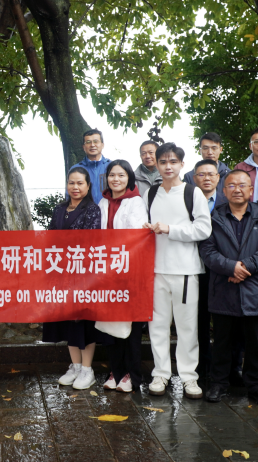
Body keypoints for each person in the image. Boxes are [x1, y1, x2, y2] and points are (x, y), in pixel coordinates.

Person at [200, 170, 258, 407]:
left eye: (242, 185)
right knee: (222, 341)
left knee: (255, 342)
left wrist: (244, 267)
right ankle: (218, 383)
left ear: (251, 190)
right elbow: (207, 251)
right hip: (223, 288)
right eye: (232, 185)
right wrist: (231, 268)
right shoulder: (214, 217)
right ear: (224, 191)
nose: (237, 189)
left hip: (256, 289)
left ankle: (256, 386)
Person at [143, 143, 212, 399]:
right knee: (157, 326)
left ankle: (188, 377)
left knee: (187, 327)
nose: (168, 166)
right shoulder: (150, 193)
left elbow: (203, 229)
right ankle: (160, 373)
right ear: (157, 165)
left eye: (173, 161)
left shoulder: (192, 192)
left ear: (182, 164)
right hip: (155, 270)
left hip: (185, 270)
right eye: (163, 162)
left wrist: (170, 229)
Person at [42, 167, 108, 390]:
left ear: (88, 186)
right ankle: (75, 366)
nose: (75, 187)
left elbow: (90, 242)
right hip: (60, 274)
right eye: (71, 182)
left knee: (83, 321)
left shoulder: (92, 209)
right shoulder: (59, 209)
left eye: (80, 183)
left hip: (83, 274)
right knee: (67, 321)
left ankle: (87, 369)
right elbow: (51, 237)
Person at [97, 160, 147, 393]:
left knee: (131, 327)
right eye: (112, 175)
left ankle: (132, 375)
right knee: (110, 324)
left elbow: (136, 235)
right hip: (107, 273)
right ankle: (115, 371)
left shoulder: (136, 202)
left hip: (129, 272)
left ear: (129, 178)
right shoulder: (103, 202)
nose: (115, 179)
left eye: (121, 175)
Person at [191, 159, 226, 383]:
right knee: (199, 319)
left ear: (218, 178)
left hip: (222, 268)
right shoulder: (188, 202)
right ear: (195, 178)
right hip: (196, 267)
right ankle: (202, 366)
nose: (206, 178)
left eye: (211, 174)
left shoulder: (227, 201)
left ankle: (225, 368)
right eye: (201, 174)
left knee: (223, 321)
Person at [75, 129, 111, 204]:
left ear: (102, 145)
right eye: (88, 142)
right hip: (84, 210)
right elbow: (70, 195)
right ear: (83, 147)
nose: (92, 145)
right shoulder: (76, 169)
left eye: (96, 141)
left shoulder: (112, 167)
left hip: (108, 210)